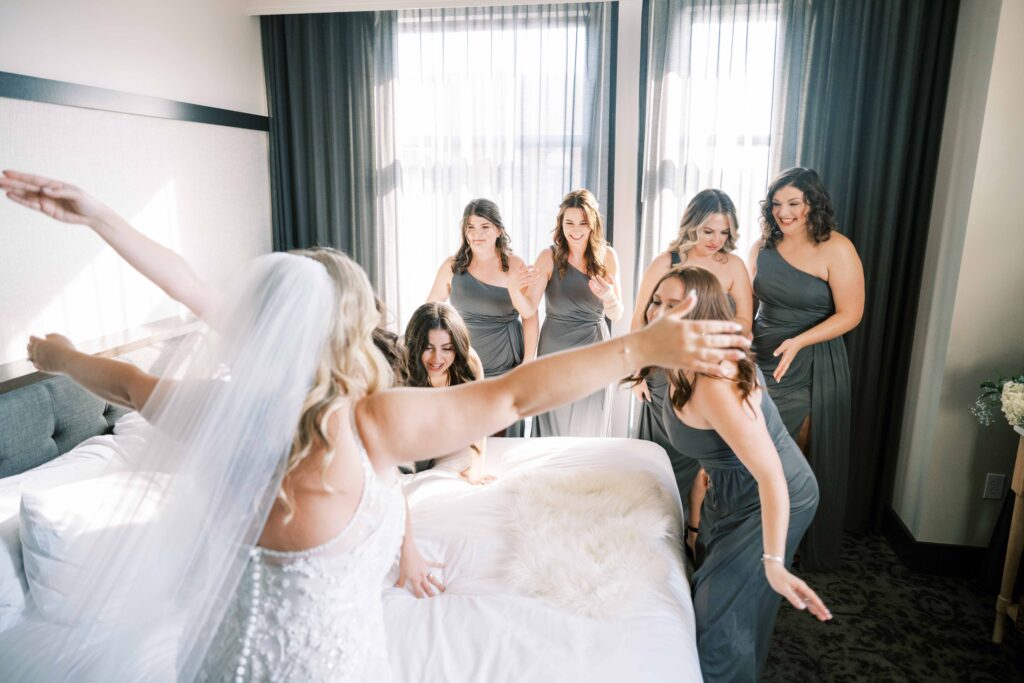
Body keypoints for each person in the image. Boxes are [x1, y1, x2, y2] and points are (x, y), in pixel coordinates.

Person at [0, 170, 751, 682]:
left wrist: (60, 352)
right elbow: (513, 397)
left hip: (224, 663)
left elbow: (130, 372)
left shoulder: (215, 413)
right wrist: (639, 347)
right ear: (350, 331)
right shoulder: (363, 425)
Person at [629, 265, 831, 682]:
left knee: (717, 620)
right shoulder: (677, 360)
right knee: (727, 597)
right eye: (657, 302)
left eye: (675, 305)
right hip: (732, 485)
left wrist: (774, 563)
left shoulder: (714, 381)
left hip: (774, 492)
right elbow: (713, 439)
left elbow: (772, 477)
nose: (659, 313)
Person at [748, 167, 864, 572]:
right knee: (753, 450)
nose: (784, 212)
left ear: (812, 204)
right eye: (777, 204)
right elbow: (746, 309)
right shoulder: (761, 247)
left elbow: (852, 313)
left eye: (793, 203)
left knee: (794, 455)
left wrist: (800, 341)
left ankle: (790, 543)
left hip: (813, 361)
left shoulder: (838, 248)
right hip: (762, 358)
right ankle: (753, 537)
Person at [629, 190, 752, 552]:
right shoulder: (666, 262)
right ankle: (658, 535)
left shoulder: (733, 266)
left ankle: (696, 533)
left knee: (706, 462)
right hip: (664, 372)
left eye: (724, 233)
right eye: (708, 231)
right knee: (664, 456)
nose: (716, 240)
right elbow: (640, 319)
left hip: (711, 371)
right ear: (692, 226)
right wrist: (637, 371)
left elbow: (745, 320)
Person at [426, 199, 539, 436]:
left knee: (504, 435)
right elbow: (430, 310)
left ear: (499, 230)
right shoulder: (452, 266)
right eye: (471, 227)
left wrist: (528, 363)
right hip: (466, 363)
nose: (477, 234)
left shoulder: (514, 264)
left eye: (485, 227)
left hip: (506, 364)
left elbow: (529, 316)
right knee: (468, 434)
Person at [525, 189, 622, 437]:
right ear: (561, 223)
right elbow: (529, 308)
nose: (575, 230)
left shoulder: (608, 256)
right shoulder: (548, 257)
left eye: (583, 223)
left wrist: (609, 297)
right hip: (554, 351)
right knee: (552, 425)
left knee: (589, 426)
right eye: (569, 222)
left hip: (594, 350)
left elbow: (617, 314)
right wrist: (516, 290)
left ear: (593, 224)